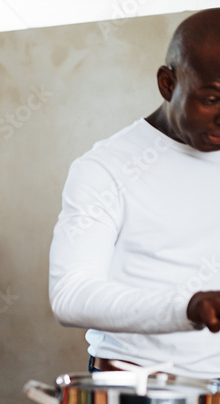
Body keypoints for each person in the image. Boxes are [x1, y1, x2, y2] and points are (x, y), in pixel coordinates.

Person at [49, 8, 220, 378]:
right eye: (211, 98)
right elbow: (70, 296)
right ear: (168, 84)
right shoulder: (106, 167)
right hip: (136, 392)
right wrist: (188, 307)